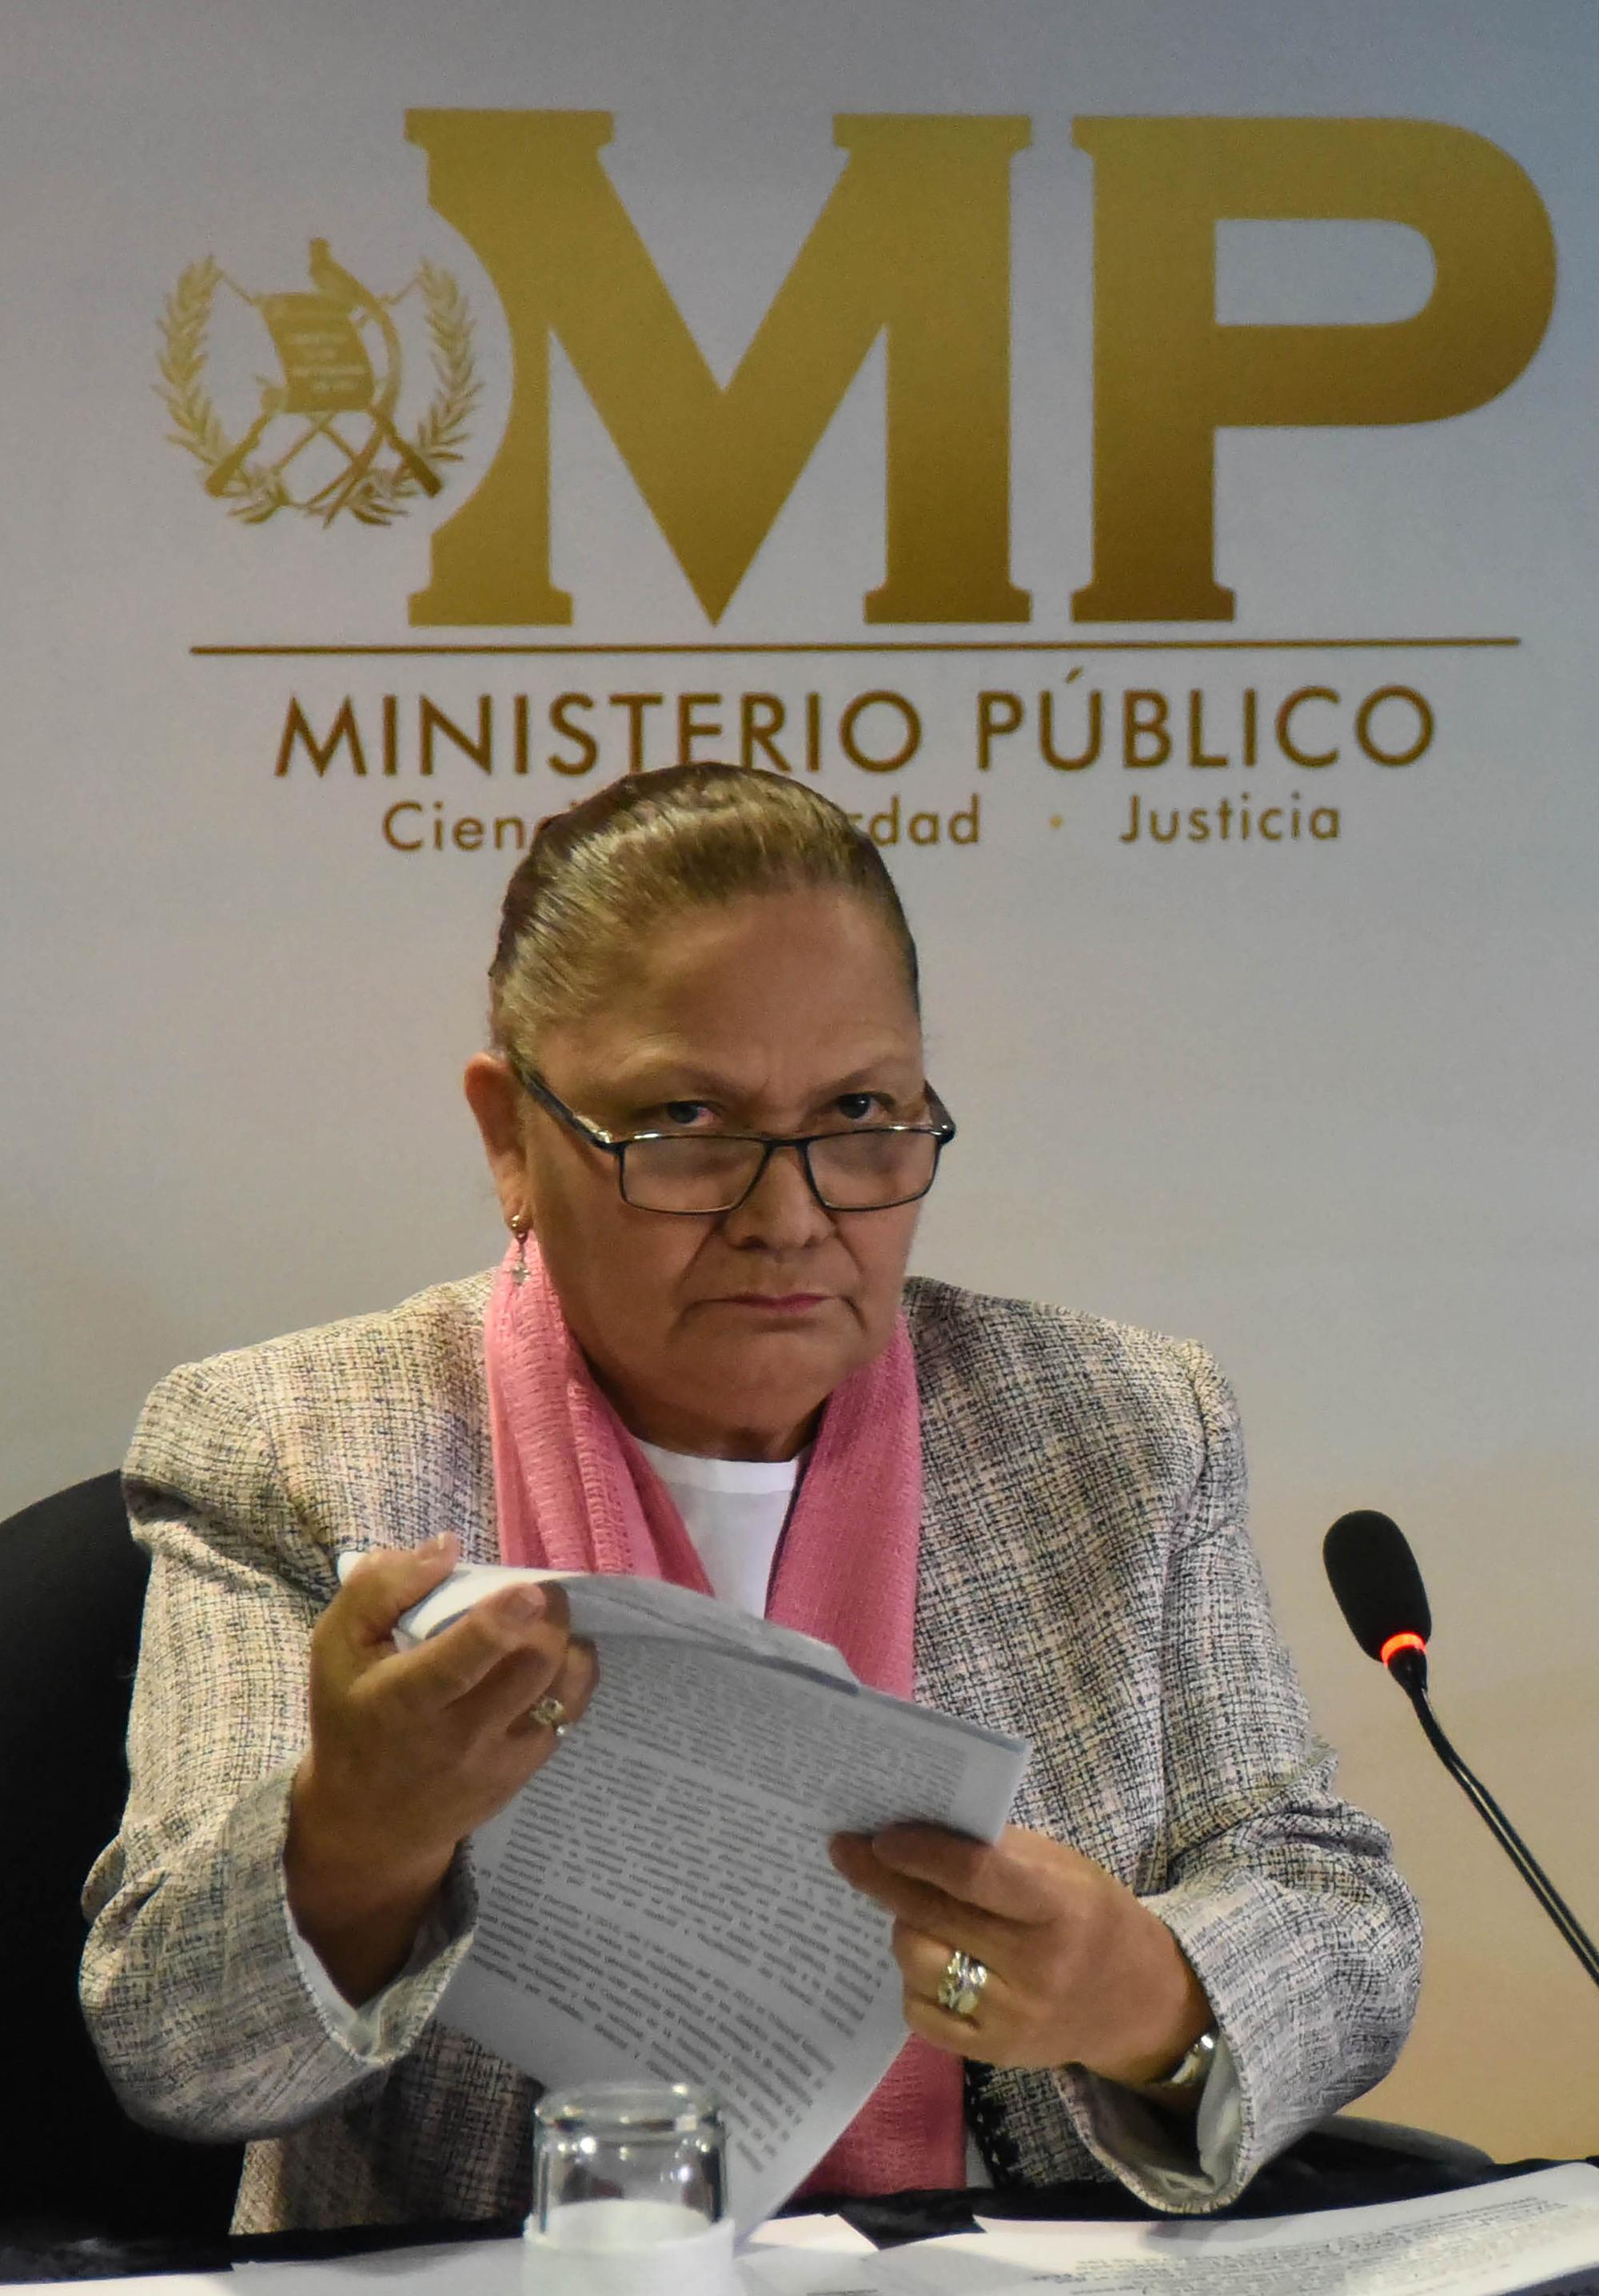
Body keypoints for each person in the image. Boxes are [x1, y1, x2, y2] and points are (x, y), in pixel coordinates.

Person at [81, 765, 1421, 2234]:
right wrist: (354, 1840)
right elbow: (174, 2055)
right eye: (686, 1123)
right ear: (511, 1138)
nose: (790, 1215)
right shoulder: (292, 1445)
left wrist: (1145, 1996)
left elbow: (1332, 1911)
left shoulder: (1119, 1426)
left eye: (861, 1115)